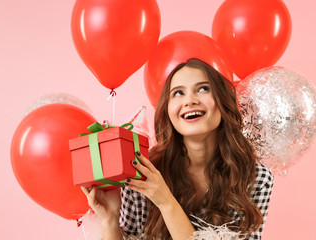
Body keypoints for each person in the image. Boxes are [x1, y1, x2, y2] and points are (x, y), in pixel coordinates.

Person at [81, 58, 274, 240]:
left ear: (223, 102)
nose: (189, 100)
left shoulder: (256, 179)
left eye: (203, 89)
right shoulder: (143, 171)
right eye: (178, 93)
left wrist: (165, 201)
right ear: (168, 110)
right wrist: (110, 218)